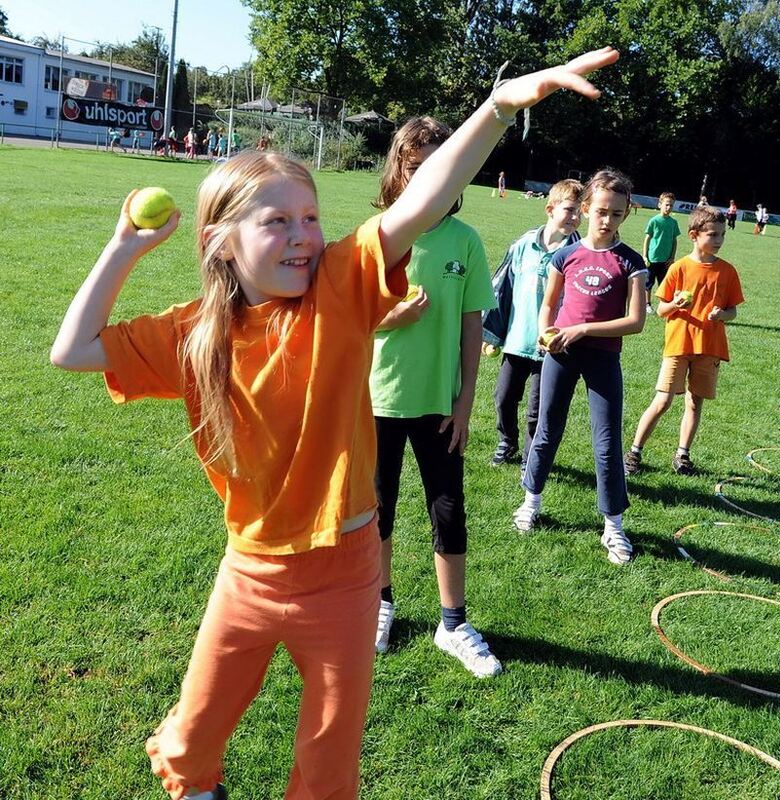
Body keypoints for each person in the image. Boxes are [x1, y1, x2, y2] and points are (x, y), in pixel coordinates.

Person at [49, 46, 619, 800]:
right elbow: (72, 350)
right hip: (249, 572)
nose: (303, 236)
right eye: (276, 221)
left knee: (327, 768)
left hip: (347, 575)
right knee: (189, 743)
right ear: (223, 242)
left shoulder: (342, 288)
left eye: (311, 217)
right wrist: (125, 246)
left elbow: (419, 202)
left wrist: (499, 107)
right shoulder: (194, 335)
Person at [370, 116, 501, 677]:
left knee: (448, 510)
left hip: (441, 405)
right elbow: (350, 318)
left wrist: (467, 400)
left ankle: (453, 623)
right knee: (377, 511)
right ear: (399, 169)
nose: (427, 178)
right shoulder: (379, 235)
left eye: (438, 167)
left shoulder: (465, 240)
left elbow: (474, 327)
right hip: (376, 400)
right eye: (416, 166)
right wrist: (391, 317)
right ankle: (379, 605)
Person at [512, 168, 647, 566]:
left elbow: (635, 321)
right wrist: (545, 333)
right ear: (587, 208)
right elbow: (549, 304)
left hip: (603, 357)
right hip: (560, 354)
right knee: (547, 429)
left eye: (617, 214)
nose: (607, 220)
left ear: (625, 215)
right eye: (602, 211)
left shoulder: (631, 262)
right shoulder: (564, 255)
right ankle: (531, 501)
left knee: (607, 442)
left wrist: (583, 329)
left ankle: (614, 525)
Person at [624, 205, 744, 478]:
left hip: (709, 347)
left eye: (722, 235)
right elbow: (662, 311)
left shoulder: (727, 271)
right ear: (693, 235)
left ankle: (683, 454)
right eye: (712, 235)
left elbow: (733, 311)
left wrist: (722, 314)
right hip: (679, 344)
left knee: (694, 402)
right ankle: (634, 451)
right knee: (663, 400)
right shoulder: (679, 268)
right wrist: (676, 304)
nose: (718, 240)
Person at [482, 178, 583, 470]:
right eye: (569, 210)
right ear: (550, 209)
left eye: (580, 211)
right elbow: (502, 288)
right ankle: (507, 441)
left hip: (552, 346)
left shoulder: (577, 253)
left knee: (537, 410)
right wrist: (493, 331)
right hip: (517, 339)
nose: (575, 217)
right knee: (503, 398)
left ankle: (531, 456)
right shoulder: (523, 244)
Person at [642, 191, 680, 314]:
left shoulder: (673, 223)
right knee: (649, 283)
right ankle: (647, 304)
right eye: (667, 205)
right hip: (653, 258)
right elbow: (647, 239)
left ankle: (663, 305)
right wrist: (645, 256)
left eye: (671, 206)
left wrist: (672, 257)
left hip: (666, 260)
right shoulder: (654, 221)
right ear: (660, 205)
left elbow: (674, 240)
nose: (669, 208)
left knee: (664, 284)